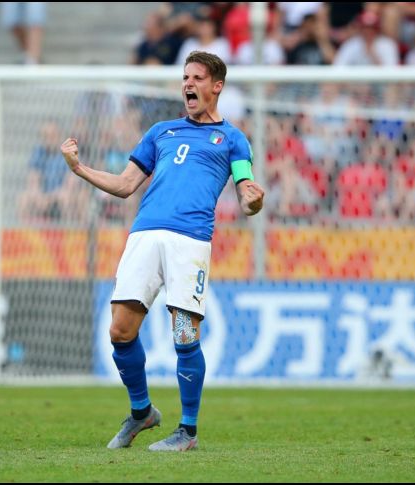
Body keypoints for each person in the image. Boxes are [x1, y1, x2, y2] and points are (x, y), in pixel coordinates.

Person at [60, 51, 264, 452]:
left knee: (185, 334)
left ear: (216, 86)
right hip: (144, 235)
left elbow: (246, 194)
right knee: (120, 329)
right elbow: (124, 185)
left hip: (189, 241)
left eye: (197, 78)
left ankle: (187, 431)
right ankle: (142, 412)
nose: (188, 84)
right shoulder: (161, 132)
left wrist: (255, 201)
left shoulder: (234, 139)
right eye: (185, 77)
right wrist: (79, 168)